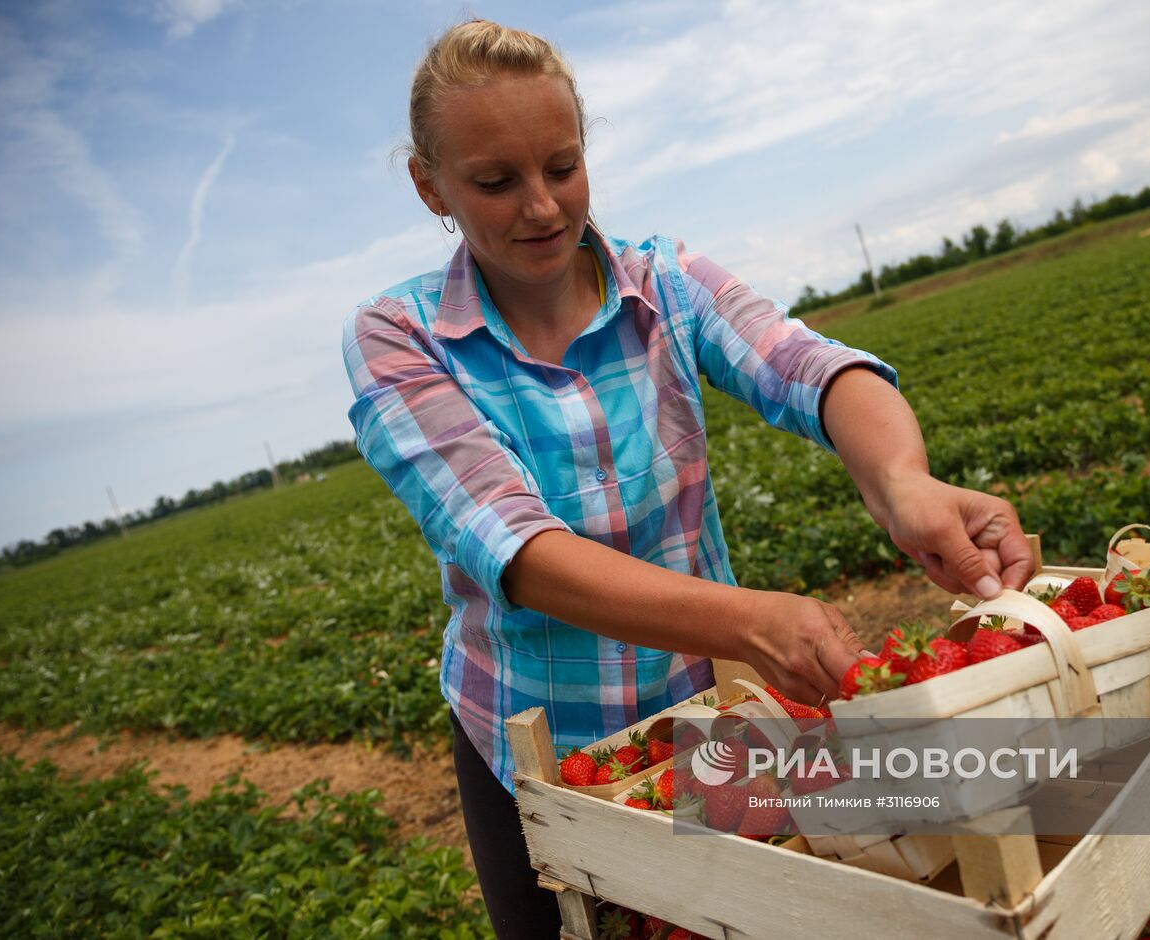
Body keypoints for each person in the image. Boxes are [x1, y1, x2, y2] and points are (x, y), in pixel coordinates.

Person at [342, 19, 1031, 938]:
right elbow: (518, 548)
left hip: (713, 722)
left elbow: (807, 367)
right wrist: (749, 618)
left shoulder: (663, 282)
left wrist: (903, 483)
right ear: (432, 186)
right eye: (496, 182)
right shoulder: (401, 338)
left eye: (562, 166)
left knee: (740, 919)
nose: (543, 207)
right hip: (537, 749)